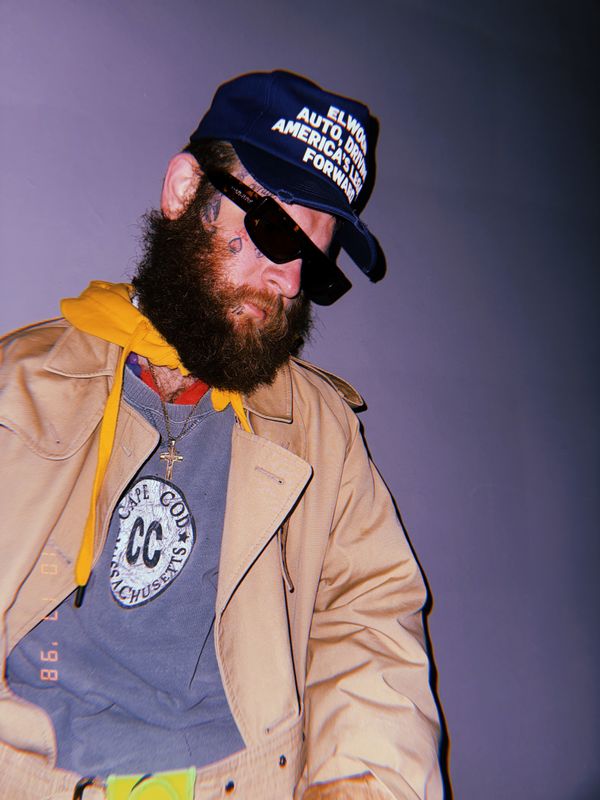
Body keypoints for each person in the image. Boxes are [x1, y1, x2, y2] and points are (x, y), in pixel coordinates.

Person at [0, 71, 442, 800]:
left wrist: (359, 785)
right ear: (185, 192)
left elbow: (369, 618)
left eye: (313, 264)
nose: (289, 283)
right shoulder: (17, 387)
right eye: (275, 231)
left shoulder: (321, 434)